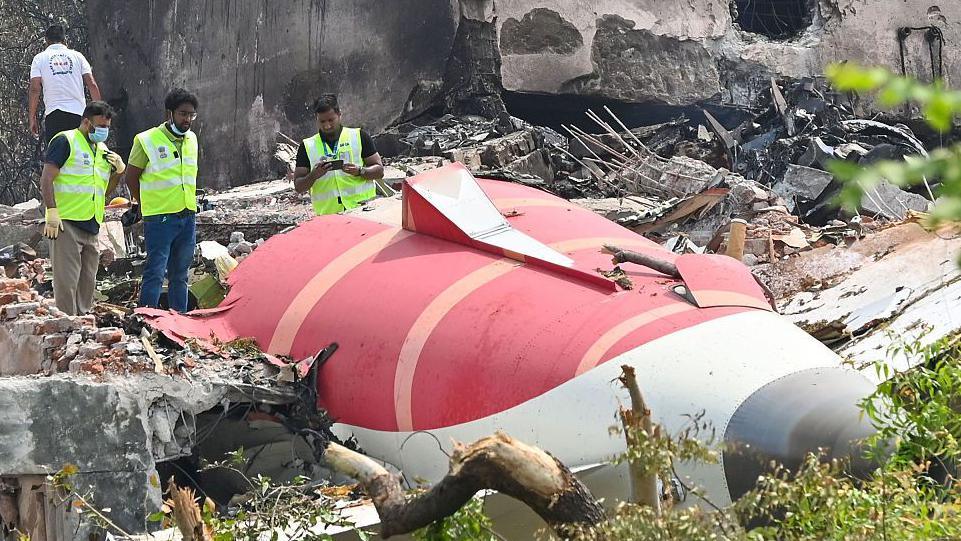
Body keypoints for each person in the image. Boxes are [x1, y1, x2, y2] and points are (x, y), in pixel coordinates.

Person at [39, 101, 125, 316]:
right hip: (66, 222)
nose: (103, 132)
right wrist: (51, 211)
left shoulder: (102, 150)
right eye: (99, 127)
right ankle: (66, 327)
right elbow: (47, 177)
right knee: (66, 283)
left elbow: (104, 190)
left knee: (87, 283)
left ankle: (83, 329)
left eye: (107, 127)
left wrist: (117, 173)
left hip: (92, 224)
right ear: (86, 122)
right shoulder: (65, 140)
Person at [124, 88, 199, 313]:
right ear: (170, 113)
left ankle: (180, 320)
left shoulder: (191, 139)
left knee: (181, 273)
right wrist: (143, 203)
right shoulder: (146, 140)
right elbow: (131, 176)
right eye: (183, 114)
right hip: (160, 218)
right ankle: (147, 318)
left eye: (191, 115)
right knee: (156, 271)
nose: (187, 120)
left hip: (187, 215)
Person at [293, 94, 384, 215]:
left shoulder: (359, 136)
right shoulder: (307, 146)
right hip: (329, 217)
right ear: (316, 119)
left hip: (363, 210)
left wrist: (360, 171)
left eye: (331, 120)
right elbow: (299, 186)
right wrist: (313, 175)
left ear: (339, 115)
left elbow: (379, 171)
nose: (327, 125)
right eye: (322, 121)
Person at [28, 24, 102, 147]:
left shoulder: (39, 59)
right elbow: (92, 85)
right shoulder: (78, 56)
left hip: (54, 116)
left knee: (56, 161)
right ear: (64, 40)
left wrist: (32, 117)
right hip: (78, 116)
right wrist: (99, 114)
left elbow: (35, 89)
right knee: (80, 157)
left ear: (46, 41)